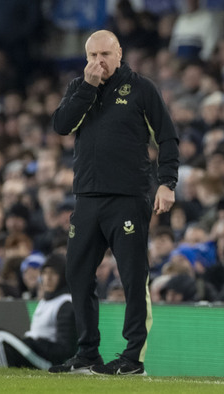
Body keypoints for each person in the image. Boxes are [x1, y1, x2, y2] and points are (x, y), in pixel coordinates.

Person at [48, 30, 179, 375]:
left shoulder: (141, 88)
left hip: (128, 197)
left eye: (105, 54)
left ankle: (132, 358)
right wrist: (89, 89)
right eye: (92, 56)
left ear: (119, 53)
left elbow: (167, 136)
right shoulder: (80, 88)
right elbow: (62, 125)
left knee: (133, 277)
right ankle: (87, 353)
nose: (98, 62)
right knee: (77, 275)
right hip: (87, 197)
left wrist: (167, 183)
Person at [0, 254, 77, 369]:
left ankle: (4, 374)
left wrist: (36, 343)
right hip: (33, 349)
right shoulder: (46, 300)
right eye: (45, 273)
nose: (48, 278)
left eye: (53, 273)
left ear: (63, 276)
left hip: (46, 360)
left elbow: (66, 349)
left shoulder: (66, 303)